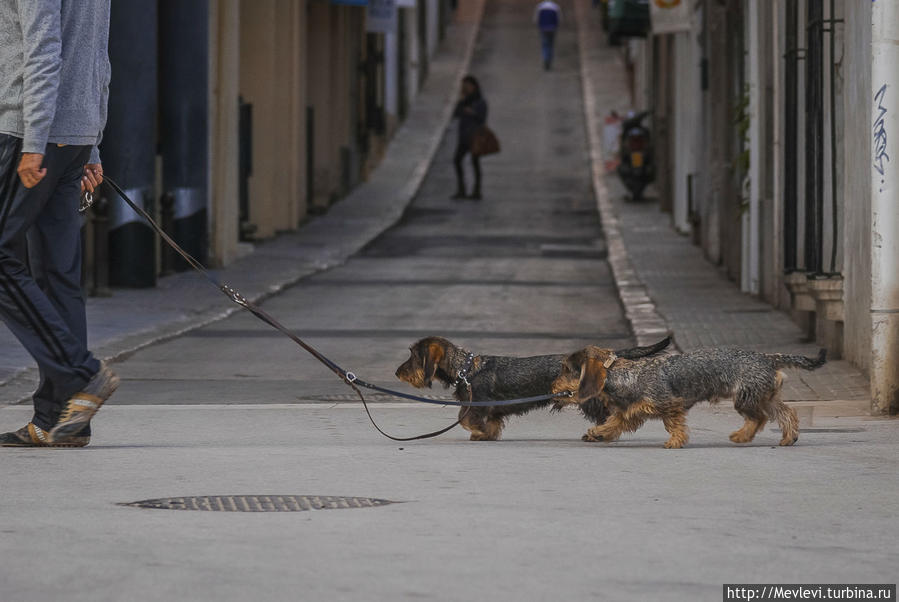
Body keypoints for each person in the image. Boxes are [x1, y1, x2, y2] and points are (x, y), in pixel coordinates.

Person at [0, 1, 118, 448]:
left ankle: (80, 374)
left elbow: (44, 48)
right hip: (71, 134)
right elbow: (98, 56)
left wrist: (34, 140)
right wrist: (91, 144)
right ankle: (64, 419)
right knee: (57, 275)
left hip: (30, 133)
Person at [451, 75, 488, 201]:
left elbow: (482, 118)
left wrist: (471, 112)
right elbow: (455, 114)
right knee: (457, 160)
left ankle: (477, 190)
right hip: (463, 137)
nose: (464, 88)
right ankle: (461, 189)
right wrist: (461, 101)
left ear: (473, 86)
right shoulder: (464, 101)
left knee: (475, 162)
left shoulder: (480, 101)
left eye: (466, 86)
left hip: (475, 136)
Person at [534, 0, 562, 70]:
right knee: (551, 45)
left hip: (543, 28)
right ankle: (549, 59)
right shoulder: (555, 7)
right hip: (552, 29)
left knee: (545, 44)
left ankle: (546, 58)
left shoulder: (540, 7)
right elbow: (559, 19)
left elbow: (536, 19)